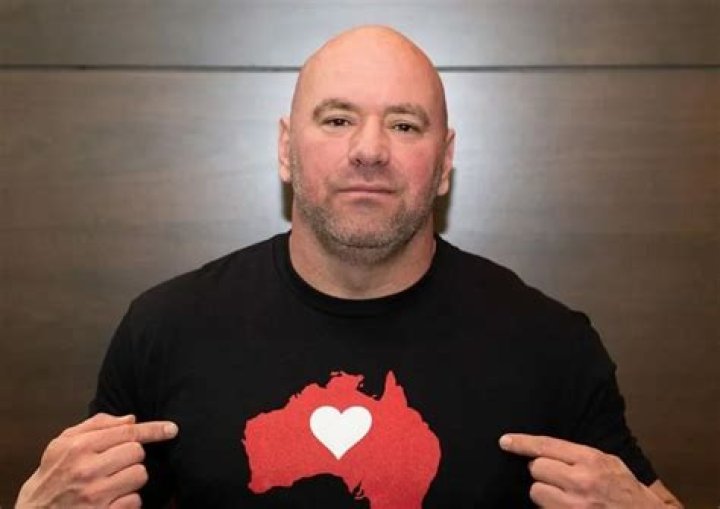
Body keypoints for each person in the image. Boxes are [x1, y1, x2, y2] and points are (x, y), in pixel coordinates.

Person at [16, 25, 683, 508]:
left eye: (404, 125)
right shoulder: (165, 328)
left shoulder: (550, 345)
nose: (369, 150)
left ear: (445, 161)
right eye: (337, 120)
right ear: (286, 149)